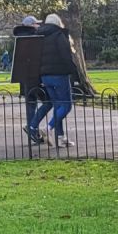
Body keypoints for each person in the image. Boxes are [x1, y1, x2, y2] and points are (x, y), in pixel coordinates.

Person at [30, 14, 79, 148]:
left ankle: (61, 137)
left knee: (58, 106)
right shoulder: (59, 35)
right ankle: (49, 127)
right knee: (67, 105)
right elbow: (66, 56)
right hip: (59, 74)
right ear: (58, 22)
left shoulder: (40, 36)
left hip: (45, 75)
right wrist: (73, 71)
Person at [10, 17, 45, 143]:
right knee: (48, 101)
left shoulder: (19, 38)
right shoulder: (35, 37)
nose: (38, 26)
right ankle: (32, 127)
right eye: (36, 23)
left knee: (30, 105)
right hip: (35, 76)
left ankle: (33, 131)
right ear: (31, 25)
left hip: (23, 77)